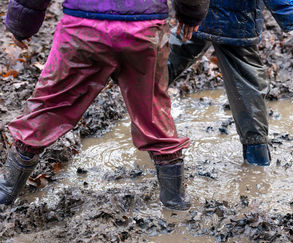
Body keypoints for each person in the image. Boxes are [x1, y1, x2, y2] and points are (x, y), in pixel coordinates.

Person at [0, 0, 210, 210]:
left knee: (50, 105)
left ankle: (6, 190)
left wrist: (21, 25)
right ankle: (176, 203)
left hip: (83, 27)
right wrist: (191, 13)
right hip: (145, 30)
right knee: (154, 111)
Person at [168, 0, 293, 166]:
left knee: (161, 62)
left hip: (198, 11)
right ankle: (257, 161)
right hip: (234, 16)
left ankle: (142, 108)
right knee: (246, 81)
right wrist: (291, 8)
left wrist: (187, 10)